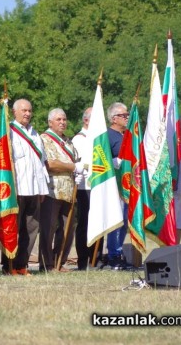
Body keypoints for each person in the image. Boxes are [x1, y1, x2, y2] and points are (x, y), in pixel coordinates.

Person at [0, 99, 48, 276]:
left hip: (34, 189)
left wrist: (43, 189)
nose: (27, 114)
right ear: (14, 112)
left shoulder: (35, 134)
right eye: (24, 110)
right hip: (17, 189)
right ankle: (8, 265)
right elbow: (2, 161)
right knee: (12, 228)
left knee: (31, 229)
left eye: (29, 110)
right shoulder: (7, 131)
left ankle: (22, 265)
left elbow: (40, 163)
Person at [39, 108, 83, 272]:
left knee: (67, 228)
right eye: (58, 119)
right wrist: (72, 167)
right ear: (50, 122)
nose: (62, 122)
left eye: (64, 119)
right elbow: (50, 164)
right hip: (52, 189)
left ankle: (60, 261)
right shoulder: (44, 139)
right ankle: (47, 263)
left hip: (69, 190)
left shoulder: (68, 142)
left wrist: (78, 172)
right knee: (48, 228)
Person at [72, 107, 103, 269]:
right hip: (85, 187)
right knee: (85, 223)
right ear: (86, 121)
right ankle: (83, 259)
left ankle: (96, 258)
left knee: (100, 222)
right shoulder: (79, 139)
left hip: (99, 185)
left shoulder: (98, 138)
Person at [105, 102, 130, 269]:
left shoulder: (127, 136)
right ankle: (113, 254)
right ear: (114, 118)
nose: (127, 118)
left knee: (125, 221)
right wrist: (114, 162)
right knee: (116, 220)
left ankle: (119, 251)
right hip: (115, 185)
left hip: (128, 185)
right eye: (124, 115)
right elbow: (101, 158)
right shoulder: (107, 135)